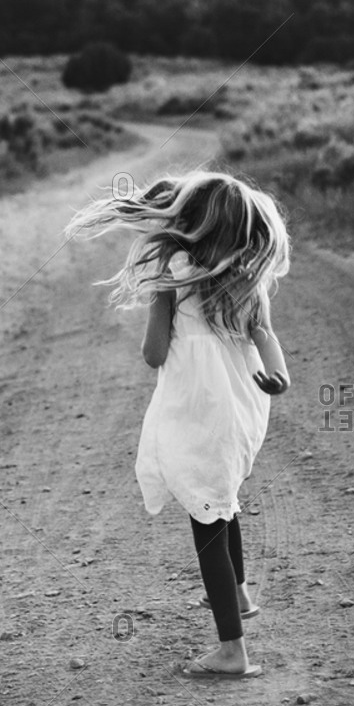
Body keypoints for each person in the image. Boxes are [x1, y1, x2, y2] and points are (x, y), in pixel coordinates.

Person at [67, 170, 291, 678]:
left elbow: (152, 355)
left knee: (206, 519)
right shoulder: (245, 279)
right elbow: (265, 336)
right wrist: (280, 376)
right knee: (221, 500)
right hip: (240, 408)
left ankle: (232, 651)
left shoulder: (175, 271)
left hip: (197, 410)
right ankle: (239, 592)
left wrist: (161, 313)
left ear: (189, 221)